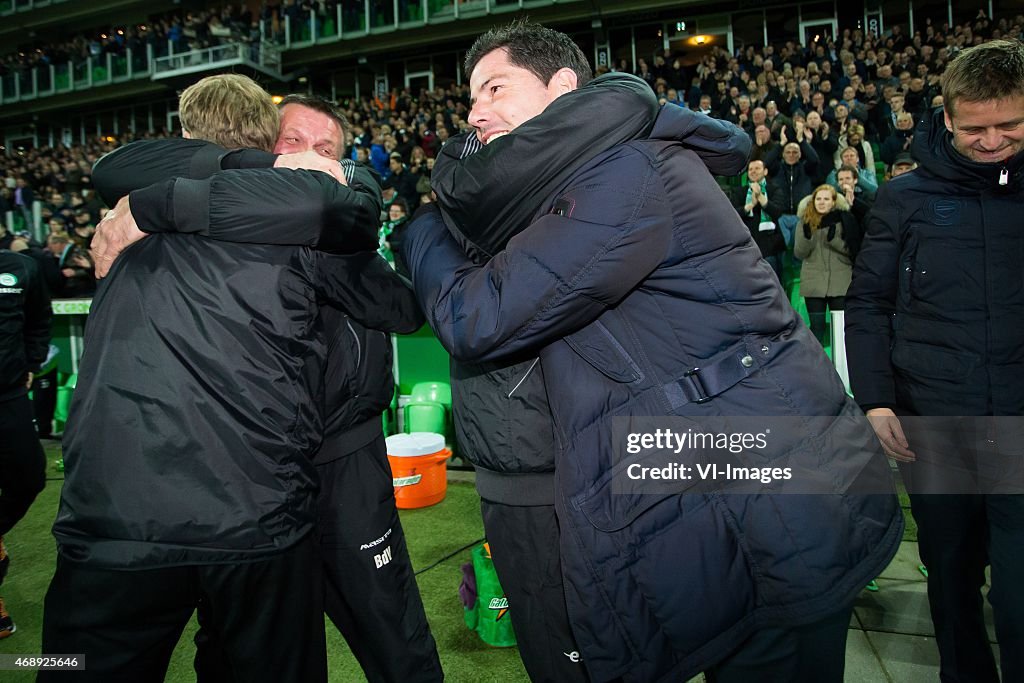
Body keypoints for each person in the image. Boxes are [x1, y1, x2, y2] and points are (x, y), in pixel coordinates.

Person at [402, 20, 901, 683]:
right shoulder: (594, 172)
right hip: (736, 491)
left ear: (564, 85)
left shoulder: (627, 170)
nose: (474, 111)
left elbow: (478, 316)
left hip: (778, 508)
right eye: (469, 97)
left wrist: (423, 230)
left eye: (494, 86)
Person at [86, 93, 443, 683]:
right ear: (259, 149)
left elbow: (399, 305)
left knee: (387, 623)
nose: (307, 157)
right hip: (256, 472)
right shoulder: (230, 205)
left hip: (342, 456)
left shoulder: (329, 213)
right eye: (292, 142)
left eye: (324, 149)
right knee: (239, 632)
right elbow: (113, 168)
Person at [846, 39, 1024, 683]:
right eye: (974, 127)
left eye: (1009, 125)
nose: (991, 140)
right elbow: (867, 303)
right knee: (949, 576)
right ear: (946, 118)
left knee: (1018, 590)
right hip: (935, 421)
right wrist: (877, 399)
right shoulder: (904, 199)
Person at [0, 245, 51, 638]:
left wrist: (31, 364)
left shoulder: (22, 268)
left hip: (8, 394)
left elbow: (37, 321)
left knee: (29, 477)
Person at [794, 184, 860, 346]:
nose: (821, 202)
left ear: (833, 202)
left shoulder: (845, 220)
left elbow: (853, 251)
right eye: (818, 199)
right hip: (814, 284)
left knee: (841, 330)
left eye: (826, 199)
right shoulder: (805, 222)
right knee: (816, 329)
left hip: (840, 282)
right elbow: (799, 253)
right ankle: (818, 369)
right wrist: (808, 236)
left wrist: (834, 240)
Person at [729, 158, 786, 283]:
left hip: (771, 246)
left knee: (774, 283)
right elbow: (732, 215)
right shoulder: (739, 192)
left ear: (765, 171)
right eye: (750, 169)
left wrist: (760, 197)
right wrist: (749, 206)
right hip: (748, 244)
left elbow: (777, 211)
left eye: (757, 168)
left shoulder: (774, 190)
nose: (753, 171)